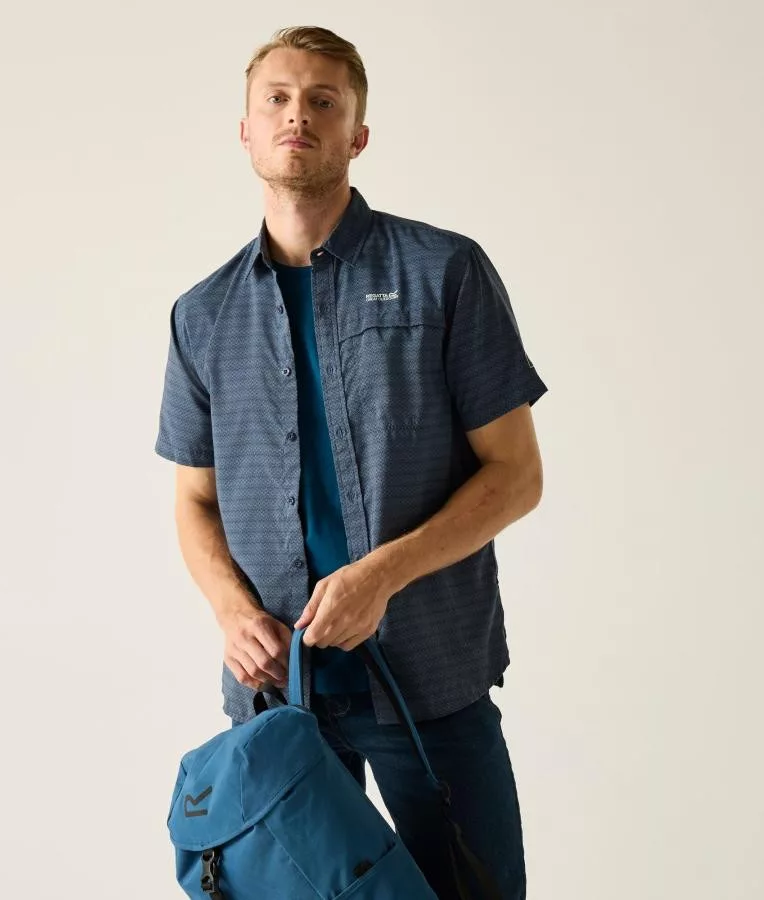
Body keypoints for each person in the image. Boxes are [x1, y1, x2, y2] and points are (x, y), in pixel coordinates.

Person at [154, 25, 547, 900]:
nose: (298, 115)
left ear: (357, 134)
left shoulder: (445, 272)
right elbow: (193, 500)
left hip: (429, 682)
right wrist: (231, 611)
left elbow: (516, 475)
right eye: (277, 99)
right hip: (276, 704)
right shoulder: (201, 315)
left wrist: (381, 576)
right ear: (246, 130)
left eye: (323, 101)